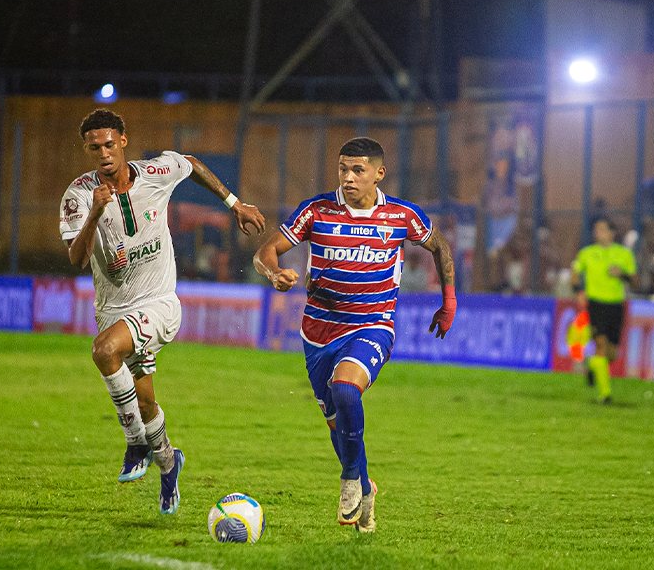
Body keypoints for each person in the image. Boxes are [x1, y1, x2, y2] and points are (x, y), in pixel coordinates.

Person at [60, 109, 265, 513]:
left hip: (159, 304)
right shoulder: (79, 197)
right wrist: (97, 214)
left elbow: (190, 164)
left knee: (104, 351)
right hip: (114, 309)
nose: (102, 153)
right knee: (146, 400)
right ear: (87, 150)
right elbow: (76, 258)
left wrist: (234, 203)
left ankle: (134, 441)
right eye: (93, 147)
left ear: (122, 140)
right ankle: (169, 463)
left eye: (108, 144)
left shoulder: (155, 171)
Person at [253, 137, 456, 533]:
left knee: (347, 390)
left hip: (372, 325)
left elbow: (440, 245)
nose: (348, 178)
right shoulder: (317, 211)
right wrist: (273, 273)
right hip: (318, 331)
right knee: (335, 420)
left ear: (379, 173)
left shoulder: (401, 215)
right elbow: (266, 250)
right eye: (343, 169)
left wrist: (448, 301)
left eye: (357, 170)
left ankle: (349, 479)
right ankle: (365, 486)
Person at [570, 217, 637, 404]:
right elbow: (575, 275)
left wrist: (622, 274)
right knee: (600, 344)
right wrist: (578, 292)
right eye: (596, 230)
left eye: (601, 230)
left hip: (616, 306)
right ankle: (605, 395)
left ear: (611, 233)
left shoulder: (624, 254)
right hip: (596, 305)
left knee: (611, 354)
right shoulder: (587, 253)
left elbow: (635, 281)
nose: (597, 233)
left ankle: (591, 365)